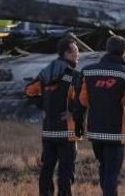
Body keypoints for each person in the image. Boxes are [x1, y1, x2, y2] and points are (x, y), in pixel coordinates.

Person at [72, 35, 125, 196]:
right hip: (116, 131)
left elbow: (81, 101)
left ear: (107, 49)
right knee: (112, 172)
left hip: (95, 131)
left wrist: (78, 124)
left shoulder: (87, 72)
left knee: (104, 167)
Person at [25, 36, 81, 196]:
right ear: (67, 54)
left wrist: (45, 105)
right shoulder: (73, 75)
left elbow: (29, 91)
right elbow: (82, 100)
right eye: (76, 51)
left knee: (47, 167)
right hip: (67, 131)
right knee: (66, 169)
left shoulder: (46, 72)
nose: (78, 54)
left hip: (48, 130)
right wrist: (73, 111)